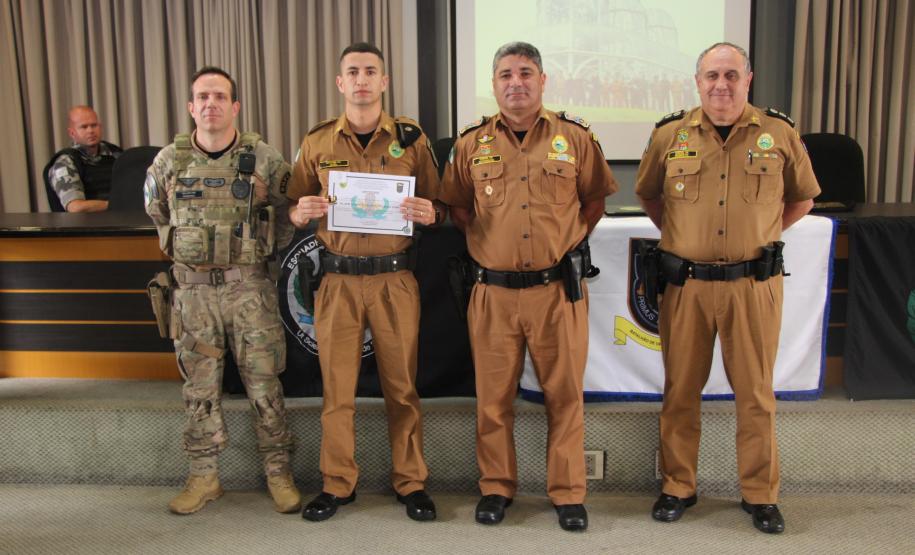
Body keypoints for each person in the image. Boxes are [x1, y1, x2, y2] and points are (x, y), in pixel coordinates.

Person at [635, 42, 820, 534]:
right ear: (697, 82)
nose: (721, 84)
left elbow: (802, 199)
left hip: (751, 285)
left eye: (731, 75)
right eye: (712, 75)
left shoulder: (778, 133)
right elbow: (651, 198)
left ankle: (759, 494)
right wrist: (684, 237)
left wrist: (760, 233)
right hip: (687, 286)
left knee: (756, 393)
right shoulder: (669, 134)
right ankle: (678, 486)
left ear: (748, 78)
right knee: (680, 391)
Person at [440, 41, 617, 532]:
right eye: (504, 75)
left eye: (525, 73)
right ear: (493, 85)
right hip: (492, 294)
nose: (515, 82)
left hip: (556, 292)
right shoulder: (471, 144)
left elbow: (594, 202)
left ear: (543, 81)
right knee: (493, 398)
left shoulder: (576, 138)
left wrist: (565, 242)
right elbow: (458, 208)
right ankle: (496, 487)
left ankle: (567, 493)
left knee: (565, 396)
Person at [287, 42, 442, 523]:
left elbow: (438, 207)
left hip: (394, 280)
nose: (361, 79)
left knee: (402, 388)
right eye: (352, 71)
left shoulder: (412, 140)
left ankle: (411, 482)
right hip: (337, 280)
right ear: (340, 83)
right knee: (338, 391)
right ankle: (337, 484)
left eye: (370, 71)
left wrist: (429, 213)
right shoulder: (317, 142)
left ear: (384, 81)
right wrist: (302, 211)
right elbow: (293, 208)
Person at [144, 66, 300, 515]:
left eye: (219, 96)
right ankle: (203, 476)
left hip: (249, 290)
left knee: (264, 381)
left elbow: (291, 210)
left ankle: (278, 472)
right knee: (199, 387)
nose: (210, 103)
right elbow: (157, 212)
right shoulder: (167, 162)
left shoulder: (264, 157)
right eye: (202, 97)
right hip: (192, 295)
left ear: (234, 107)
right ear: (192, 108)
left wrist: (262, 247)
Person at [46, 106, 122, 212]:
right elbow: (76, 208)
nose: (90, 131)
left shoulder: (115, 154)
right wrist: (118, 204)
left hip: (120, 222)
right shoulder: (65, 162)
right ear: (72, 133)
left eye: (94, 125)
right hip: (86, 226)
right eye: (84, 127)